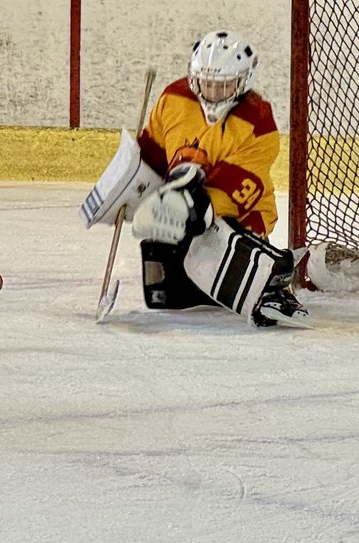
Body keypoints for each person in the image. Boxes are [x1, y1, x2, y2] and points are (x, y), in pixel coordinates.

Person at [129, 29, 308, 327]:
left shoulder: (258, 121)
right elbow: (152, 156)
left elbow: (236, 188)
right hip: (185, 207)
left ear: (243, 83)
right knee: (165, 291)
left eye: (224, 86)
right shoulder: (173, 99)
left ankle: (271, 281)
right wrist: (129, 186)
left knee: (214, 230)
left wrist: (190, 210)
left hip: (241, 217)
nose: (212, 93)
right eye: (206, 84)